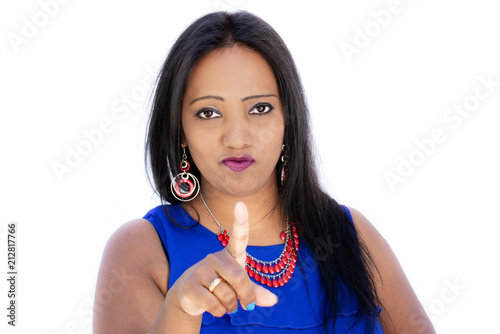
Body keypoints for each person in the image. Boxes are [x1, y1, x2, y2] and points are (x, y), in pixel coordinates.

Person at [93, 10, 435, 334]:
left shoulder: (351, 235)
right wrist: (180, 312)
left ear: (288, 119)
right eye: (209, 113)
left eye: (259, 108)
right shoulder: (142, 248)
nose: (237, 138)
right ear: (179, 129)